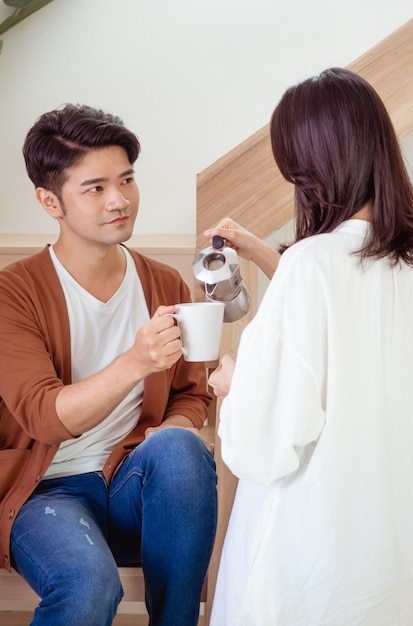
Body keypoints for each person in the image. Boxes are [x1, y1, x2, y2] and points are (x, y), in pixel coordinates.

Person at [205, 67, 413, 625]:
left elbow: (265, 445)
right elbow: (343, 323)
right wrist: (268, 255)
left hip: (302, 560)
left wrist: (234, 387)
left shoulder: (311, 267)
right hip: (381, 557)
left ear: (313, 167)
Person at [0, 104, 218, 626]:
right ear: (50, 201)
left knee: (180, 445)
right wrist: (135, 362)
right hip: (46, 492)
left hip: (131, 487)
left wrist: (168, 433)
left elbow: (193, 393)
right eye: (94, 188)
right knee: (88, 585)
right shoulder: (15, 293)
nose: (119, 200)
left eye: (126, 180)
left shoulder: (164, 284)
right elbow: (44, 417)